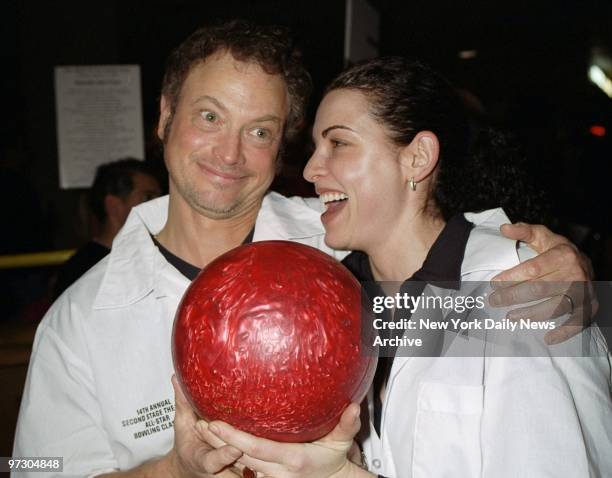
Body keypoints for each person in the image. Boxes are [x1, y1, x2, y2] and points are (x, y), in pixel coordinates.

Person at [12, 22, 596, 478]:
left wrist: (571, 278)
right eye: (209, 116)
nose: (230, 152)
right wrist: (172, 469)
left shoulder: (340, 244)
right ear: (165, 117)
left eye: (261, 130)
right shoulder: (78, 320)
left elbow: (457, 278)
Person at [198, 58, 612, 477]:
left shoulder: (526, 288)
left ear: (417, 158)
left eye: (338, 143)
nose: (309, 170)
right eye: (313, 149)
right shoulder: (339, 296)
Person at [51, 158, 162, 300]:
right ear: (114, 206)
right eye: (148, 197)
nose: (160, 204)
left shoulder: (147, 256)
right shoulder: (85, 270)